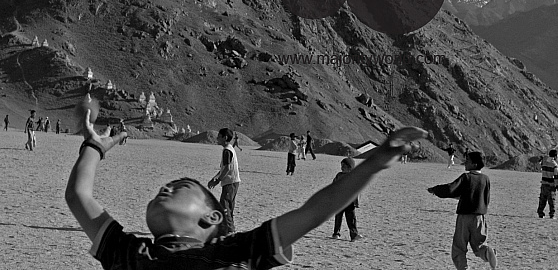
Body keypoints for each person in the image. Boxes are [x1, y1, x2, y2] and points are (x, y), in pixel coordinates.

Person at [65, 106, 426, 269]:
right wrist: (95, 146)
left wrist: (376, 161)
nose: (168, 186)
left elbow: (316, 210)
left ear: (212, 217)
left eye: (182, 186)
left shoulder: (233, 251)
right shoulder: (129, 253)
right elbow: (78, 196)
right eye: (169, 184)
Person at [428, 151, 498, 270]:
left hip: (464, 217)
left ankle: (463, 268)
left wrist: (436, 190)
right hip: (479, 217)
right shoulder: (485, 179)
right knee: (479, 245)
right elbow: (485, 198)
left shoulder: (466, 177)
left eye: (467, 161)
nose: (465, 163)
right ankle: (487, 252)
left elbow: (451, 189)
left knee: (459, 248)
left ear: (474, 164)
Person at [207, 128, 241, 233]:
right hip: (233, 181)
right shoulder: (229, 148)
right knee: (229, 207)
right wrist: (215, 177)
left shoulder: (227, 150)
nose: (217, 138)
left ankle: (230, 231)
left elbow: (227, 169)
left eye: (219, 136)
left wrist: (218, 180)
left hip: (230, 182)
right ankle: (230, 229)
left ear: (225, 138)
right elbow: (224, 168)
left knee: (225, 207)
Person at [331, 158, 360, 241]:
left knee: (351, 219)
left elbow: (357, 190)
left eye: (344, 166)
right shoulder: (339, 175)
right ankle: (336, 233)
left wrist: (356, 202)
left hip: (350, 202)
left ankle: (354, 235)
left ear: (350, 167)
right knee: (338, 217)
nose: (342, 168)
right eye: (341, 166)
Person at [537, 149, 558, 219]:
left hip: (543, 184)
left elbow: (538, 167)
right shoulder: (554, 165)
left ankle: (540, 213)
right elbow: (556, 176)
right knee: (552, 201)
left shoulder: (544, 162)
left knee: (542, 200)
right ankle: (552, 215)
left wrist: (540, 160)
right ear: (555, 156)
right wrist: (557, 185)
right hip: (551, 185)